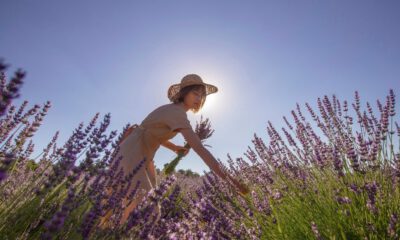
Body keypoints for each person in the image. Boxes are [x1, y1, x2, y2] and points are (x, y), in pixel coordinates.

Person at [99, 74, 249, 228]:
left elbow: (153, 135)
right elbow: (199, 148)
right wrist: (229, 179)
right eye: (195, 93)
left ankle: (111, 233)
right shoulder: (176, 113)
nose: (199, 98)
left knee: (140, 206)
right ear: (184, 93)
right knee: (142, 204)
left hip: (142, 155)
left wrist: (175, 148)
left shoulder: (175, 111)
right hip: (133, 153)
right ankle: (113, 233)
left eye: (202, 95)